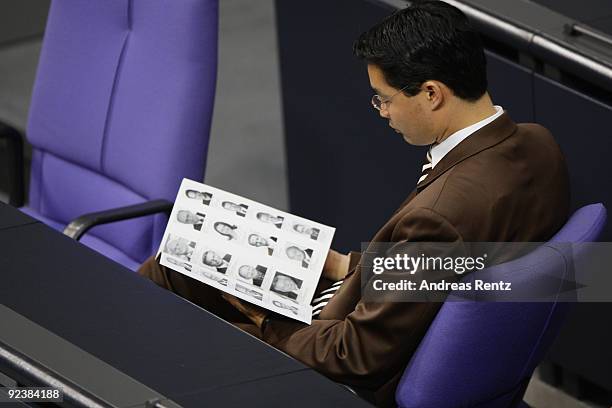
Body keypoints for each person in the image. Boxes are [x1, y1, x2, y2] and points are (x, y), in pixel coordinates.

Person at [138, 2, 570, 406]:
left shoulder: (439, 214)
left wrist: (259, 318)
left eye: (384, 98)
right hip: (412, 323)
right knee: (180, 266)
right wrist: (345, 267)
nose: (381, 112)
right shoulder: (539, 144)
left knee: (169, 277)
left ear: (432, 93)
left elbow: (356, 357)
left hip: (358, 368)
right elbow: (455, 266)